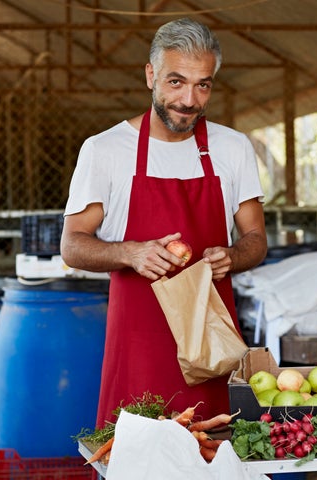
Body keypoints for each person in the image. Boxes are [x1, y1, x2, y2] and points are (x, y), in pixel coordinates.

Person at [60, 17, 267, 430]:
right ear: (151, 75)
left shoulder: (233, 148)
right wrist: (129, 252)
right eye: (176, 82)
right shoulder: (105, 150)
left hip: (211, 346)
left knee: (217, 456)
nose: (189, 99)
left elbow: (257, 239)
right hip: (139, 346)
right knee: (137, 455)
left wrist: (232, 255)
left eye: (203, 84)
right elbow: (72, 245)